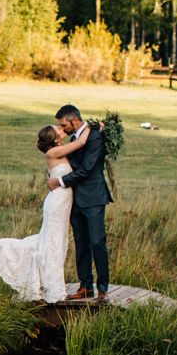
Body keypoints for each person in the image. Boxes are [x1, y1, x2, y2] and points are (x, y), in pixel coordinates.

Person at [0, 125, 88, 304]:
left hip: (63, 201)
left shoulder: (59, 151)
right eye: (58, 128)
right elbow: (81, 141)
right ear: (55, 139)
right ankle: (52, 289)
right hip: (56, 203)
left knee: (57, 242)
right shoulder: (53, 153)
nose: (61, 128)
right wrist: (92, 126)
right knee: (52, 243)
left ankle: (47, 284)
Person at [50, 104, 112, 301]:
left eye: (64, 125)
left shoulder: (94, 137)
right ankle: (85, 286)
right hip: (75, 199)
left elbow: (85, 169)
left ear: (74, 120)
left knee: (97, 242)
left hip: (93, 198)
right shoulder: (75, 138)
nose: (63, 129)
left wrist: (59, 181)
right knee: (81, 244)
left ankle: (102, 288)